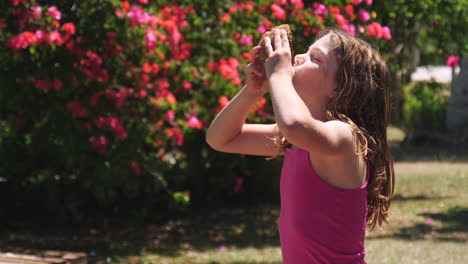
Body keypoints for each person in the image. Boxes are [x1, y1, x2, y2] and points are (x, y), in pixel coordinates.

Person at [205, 28, 395, 264]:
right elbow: (221, 139)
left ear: (340, 88)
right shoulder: (297, 141)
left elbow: (295, 124)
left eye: (315, 58)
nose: (297, 58)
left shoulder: (346, 139)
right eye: (305, 52)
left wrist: (279, 76)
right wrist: (253, 91)